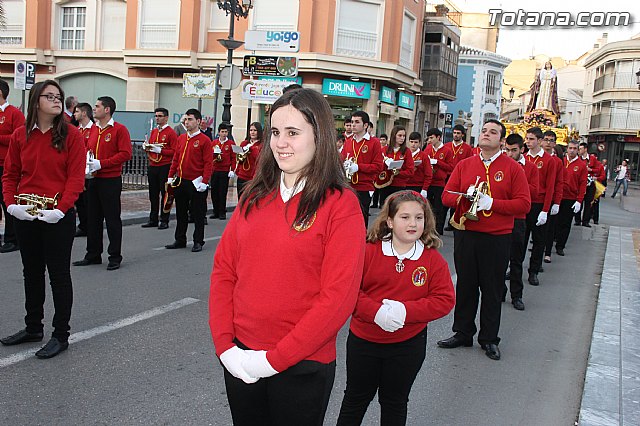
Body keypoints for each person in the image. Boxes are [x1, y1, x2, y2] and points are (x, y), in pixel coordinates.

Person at [209, 88, 366, 425]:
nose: (281, 143)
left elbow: (338, 298)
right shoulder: (255, 195)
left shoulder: (341, 204)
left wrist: (274, 361)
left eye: (293, 133)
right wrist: (225, 347)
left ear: (319, 136)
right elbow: (224, 271)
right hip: (241, 358)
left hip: (302, 365)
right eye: (276, 133)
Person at [336, 190, 455, 425]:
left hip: (407, 346)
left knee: (395, 401)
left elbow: (444, 300)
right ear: (389, 221)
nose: (413, 223)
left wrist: (406, 312)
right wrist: (375, 311)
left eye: (419, 218)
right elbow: (348, 290)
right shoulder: (368, 251)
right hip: (365, 342)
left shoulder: (432, 260)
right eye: (405, 217)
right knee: (355, 398)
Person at [0, 80, 85, 358]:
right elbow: (10, 174)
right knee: (31, 273)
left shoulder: (72, 135)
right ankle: (33, 326)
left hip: (57, 216)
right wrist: (11, 206)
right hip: (25, 215)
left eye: (58, 96)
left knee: (59, 276)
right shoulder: (19, 136)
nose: (56, 100)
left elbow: (75, 177)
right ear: (36, 101)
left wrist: (60, 210)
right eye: (49, 96)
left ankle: (61, 334)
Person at [438, 120, 530, 360]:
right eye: (484, 131)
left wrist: (493, 204)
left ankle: (489, 338)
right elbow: (446, 196)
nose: (486, 135)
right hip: (467, 233)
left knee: (491, 288)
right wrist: (463, 197)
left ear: (501, 140)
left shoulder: (513, 168)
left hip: (496, 237)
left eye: (493, 132)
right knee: (466, 285)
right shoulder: (464, 165)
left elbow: (523, 204)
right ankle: (462, 332)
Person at [72, 96, 131, 271]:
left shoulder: (119, 130)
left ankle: (114, 256)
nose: (94, 109)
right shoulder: (93, 130)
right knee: (93, 218)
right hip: (93, 179)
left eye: (97, 106)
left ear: (107, 110)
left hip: (110, 180)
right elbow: (86, 149)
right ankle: (93, 254)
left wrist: (102, 163)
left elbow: (126, 153)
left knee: (112, 219)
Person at [165, 109, 213, 253]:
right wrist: (170, 175)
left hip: (196, 182)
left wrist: (205, 182)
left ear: (198, 121)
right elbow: (176, 158)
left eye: (190, 119)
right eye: (185, 119)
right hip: (181, 181)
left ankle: (198, 240)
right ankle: (180, 239)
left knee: (198, 213)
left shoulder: (205, 140)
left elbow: (208, 163)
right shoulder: (181, 138)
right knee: (180, 212)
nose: (187, 122)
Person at [503, 134, 538, 311]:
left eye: (514, 150)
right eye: (507, 150)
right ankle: (500, 291)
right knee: (499, 260)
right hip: (501, 217)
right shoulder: (500, 165)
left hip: (518, 219)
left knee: (516, 261)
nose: (509, 154)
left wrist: (516, 181)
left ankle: (517, 295)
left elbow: (533, 191)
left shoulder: (530, 168)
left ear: (521, 150)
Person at [523, 127, 557, 286]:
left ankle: (533, 271)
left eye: (531, 139)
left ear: (539, 141)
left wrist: (546, 209)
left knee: (538, 240)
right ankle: (515, 267)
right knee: (520, 240)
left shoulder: (549, 160)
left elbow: (550, 186)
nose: (528, 142)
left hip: (539, 205)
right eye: (527, 139)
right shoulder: (523, 158)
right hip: (524, 203)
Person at [341, 110, 383, 227]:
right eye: (352, 122)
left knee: (361, 219)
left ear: (365, 125)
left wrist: (358, 167)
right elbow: (342, 159)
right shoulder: (348, 142)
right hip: (348, 185)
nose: (353, 125)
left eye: (357, 122)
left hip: (364, 187)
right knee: (347, 219)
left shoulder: (374, 143)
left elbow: (378, 166)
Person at [0, 78, 25, 253]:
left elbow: (19, 137)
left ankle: (11, 239)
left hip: (5, 165)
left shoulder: (14, 114)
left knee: (7, 201)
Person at [141, 107, 177, 230]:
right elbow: (151, 145)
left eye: (160, 116)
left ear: (166, 118)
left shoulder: (171, 132)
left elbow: (174, 151)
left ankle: (164, 219)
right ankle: (153, 218)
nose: (157, 118)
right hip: (153, 165)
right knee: (153, 194)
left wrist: (161, 150)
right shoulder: (154, 132)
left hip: (164, 166)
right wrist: (147, 147)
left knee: (165, 193)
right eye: (156, 116)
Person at [554, 140, 587, 256]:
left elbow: (583, 184)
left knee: (566, 223)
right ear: (567, 149)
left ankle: (560, 246)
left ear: (578, 150)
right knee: (554, 221)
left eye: (575, 148)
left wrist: (579, 200)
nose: (572, 150)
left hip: (570, 198)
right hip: (558, 196)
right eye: (570, 148)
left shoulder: (582, 166)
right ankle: (550, 241)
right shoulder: (560, 161)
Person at [444, 124, 473, 231]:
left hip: (459, 177)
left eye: (458, 133)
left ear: (463, 135)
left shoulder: (467, 148)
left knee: (456, 201)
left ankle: (452, 223)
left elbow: (470, 164)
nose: (456, 135)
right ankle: (440, 225)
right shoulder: (446, 146)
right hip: (446, 176)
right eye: (454, 133)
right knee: (445, 200)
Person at [424, 128, 454, 235]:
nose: (430, 140)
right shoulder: (427, 149)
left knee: (438, 208)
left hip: (440, 183)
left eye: (432, 138)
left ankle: (438, 229)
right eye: (429, 138)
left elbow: (451, 167)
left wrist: (438, 162)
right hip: (428, 182)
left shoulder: (447, 151)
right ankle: (428, 229)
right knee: (428, 207)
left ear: (438, 137)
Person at [375, 125, 415, 204]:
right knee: (385, 209)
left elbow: (410, 171)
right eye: (400, 135)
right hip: (385, 184)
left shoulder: (406, 151)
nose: (402, 138)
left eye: (404, 136)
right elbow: (378, 167)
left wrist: (398, 173)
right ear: (394, 136)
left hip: (399, 185)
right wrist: (385, 164)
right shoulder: (384, 150)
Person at [72, 102, 95, 237]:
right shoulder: (78, 130)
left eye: (77, 112)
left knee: (88, 201)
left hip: (89, 170)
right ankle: (83, 225)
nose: (74, 114)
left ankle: (89, 226)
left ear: (84, 113)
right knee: (80, 200)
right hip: (78, 169)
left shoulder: (93, 129)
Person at [542, 131, 564, 264]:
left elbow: (559, 182)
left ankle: (547, 252)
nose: (548, 143)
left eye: (551, 140)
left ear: (554, 143)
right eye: (546, 139)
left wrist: (557, 202)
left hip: (549, 199)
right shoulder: (535, 158)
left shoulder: (557, 161)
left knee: (549, 228)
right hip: (536, 199)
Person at [210, 123, 234, 220]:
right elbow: (209, 156)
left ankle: (222, 212)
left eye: (226, 132)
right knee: (214, 191)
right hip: (215, 170)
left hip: (224, 171)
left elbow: (233, 158)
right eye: (222, 132)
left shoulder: (230, 144)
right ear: (219, 132)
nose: (224, 134)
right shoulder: (214, 143)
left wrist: (232, 169)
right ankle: (215, 211)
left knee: (222, 192)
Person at [234, 121, 263, 197]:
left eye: (255, 130)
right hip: (241, 176)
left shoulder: (261, 145)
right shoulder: (244, 143)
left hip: (252, 178)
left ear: (259, 132)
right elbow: (239, 158)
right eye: (251, 130)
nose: (252, 132)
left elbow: (259, 160)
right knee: (240, 200)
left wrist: (252, 149)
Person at [406, 132, 432, 197]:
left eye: (416, 142)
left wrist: (424, 189)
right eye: (411, 142)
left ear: (420, 143)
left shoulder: (424, 156)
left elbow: (428, 174)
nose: (413, 144)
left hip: (418, 186)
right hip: (404, 185)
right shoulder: (404, 154)